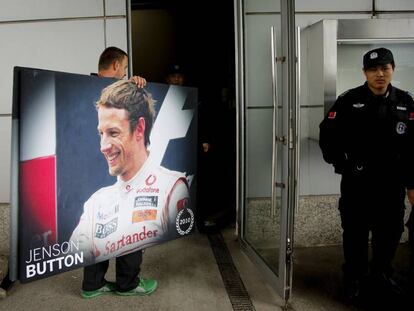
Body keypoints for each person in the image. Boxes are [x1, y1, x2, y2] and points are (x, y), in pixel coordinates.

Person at [70, 79, 191, 298]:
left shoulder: (172, 188)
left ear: (140, 129)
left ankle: (102, 284)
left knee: (132, 224)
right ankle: (108, 284)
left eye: (113, 133)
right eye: (101, 133)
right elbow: (73, 251)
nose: (103, 146)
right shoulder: (96, 201)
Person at [319, 47, 414, 303]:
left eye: (384, 68)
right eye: (373, 69)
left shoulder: (406, 102)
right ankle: (354, 280)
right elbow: (327, 136)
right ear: (365, 72)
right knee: (355, 235)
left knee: (390, 233)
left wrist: (411, 183)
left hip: (391, 187)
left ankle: (382, 275)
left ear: (393, 68)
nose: (379, 74)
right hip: (358, 186)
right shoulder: (348, 101)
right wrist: (344, 165)